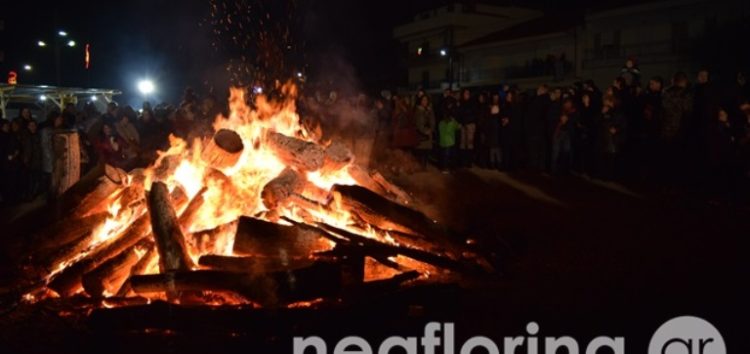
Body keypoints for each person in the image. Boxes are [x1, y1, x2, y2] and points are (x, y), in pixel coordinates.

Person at [598, 95, 627, 180]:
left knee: (612, 157)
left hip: (614, 139)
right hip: (605, 138)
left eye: (608, 101)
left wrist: (617, 129)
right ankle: (604, 174)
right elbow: (598, 122)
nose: (605, 103)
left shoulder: (619, 112)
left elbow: (624, 124)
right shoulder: (605, 111)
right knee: (605, 156)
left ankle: (611, 176)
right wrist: (602, 113)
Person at [22, 120, 44, 200]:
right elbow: (26, 150)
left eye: (34, 125)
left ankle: (32, 195)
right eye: (31, 125)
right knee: (30, 180)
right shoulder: (26, 136)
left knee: (34, 180)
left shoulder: (37, 136)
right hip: (30, 162)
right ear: (28, 126)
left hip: (36, 162)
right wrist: (26, 160)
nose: (33, 127)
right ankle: (29, 195)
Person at [456, 89, 477, 166]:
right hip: (462, 125)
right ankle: (463, 161)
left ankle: (469, 162)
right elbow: (458, 114)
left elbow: (474, 114)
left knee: (469, 143)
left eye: (467, 93)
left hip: (470, 124)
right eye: (465, 94)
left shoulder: (472, 103)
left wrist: (467, 121)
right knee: (462, 143)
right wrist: (460, 122)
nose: (466, 95)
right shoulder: (460, 103)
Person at [413, 95, 435, 168]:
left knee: (427, 150)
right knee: (421, 150)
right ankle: (420, 164)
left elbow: (433, 120)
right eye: (423, 100)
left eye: (426, 100)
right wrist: (423, 131)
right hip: (421, 133)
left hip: (428, 131)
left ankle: (425, 164)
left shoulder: (429, 110)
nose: (425, 102)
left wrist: (431, 129)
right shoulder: (418, 110)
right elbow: (418, 122)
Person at [485, 93, 502, 169]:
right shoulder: (489, 111)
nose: (495, 99)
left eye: (496, 97)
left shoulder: (500, 107)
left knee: (497, 148)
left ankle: (498, 163)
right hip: (492, 131)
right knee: (492, 148)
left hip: (498, 131)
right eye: (494, 97)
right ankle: (493, 164)